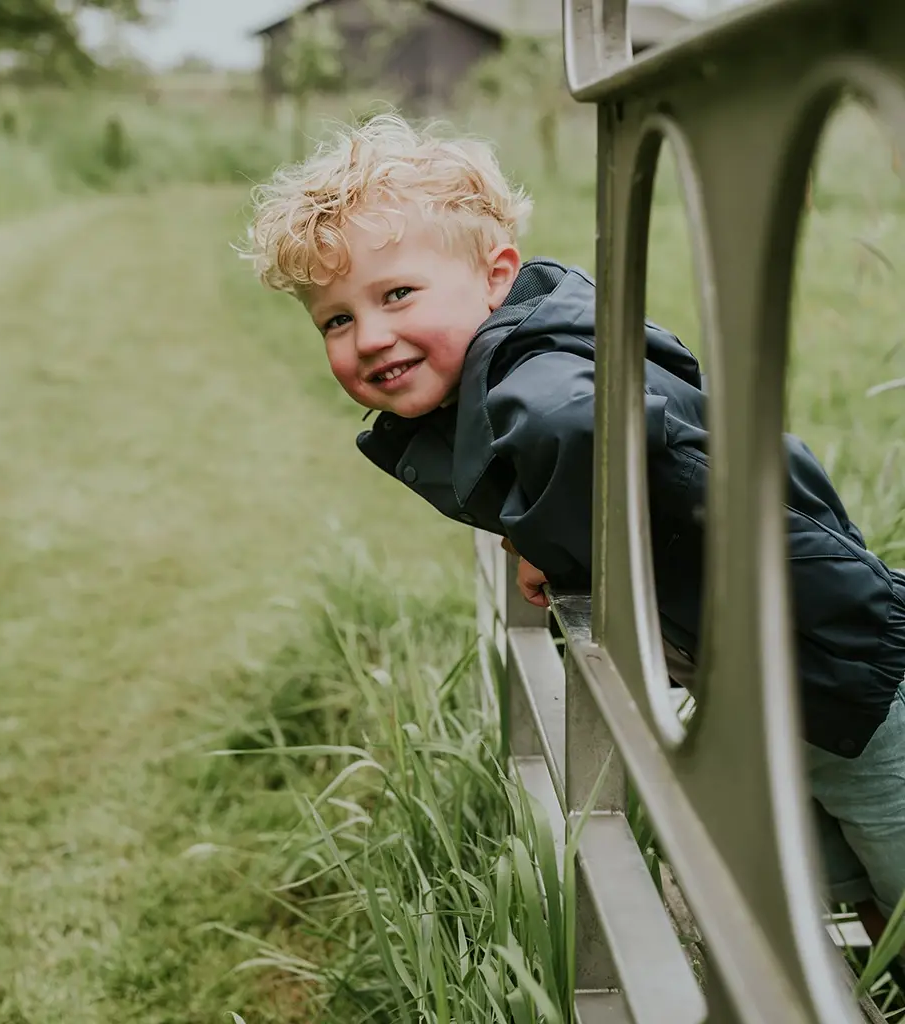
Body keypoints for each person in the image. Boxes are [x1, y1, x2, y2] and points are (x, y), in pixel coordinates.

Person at [245, 113, 905, 970]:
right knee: (819, 875)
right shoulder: (525, 353)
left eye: (396, 294)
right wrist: (547, 533)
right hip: (768, 681)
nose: (369, 337)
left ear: (495, 277)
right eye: (335, 320)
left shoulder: (541, 368)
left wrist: (552, 536)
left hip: (846, 672)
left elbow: (579, 426)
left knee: (887, 858)